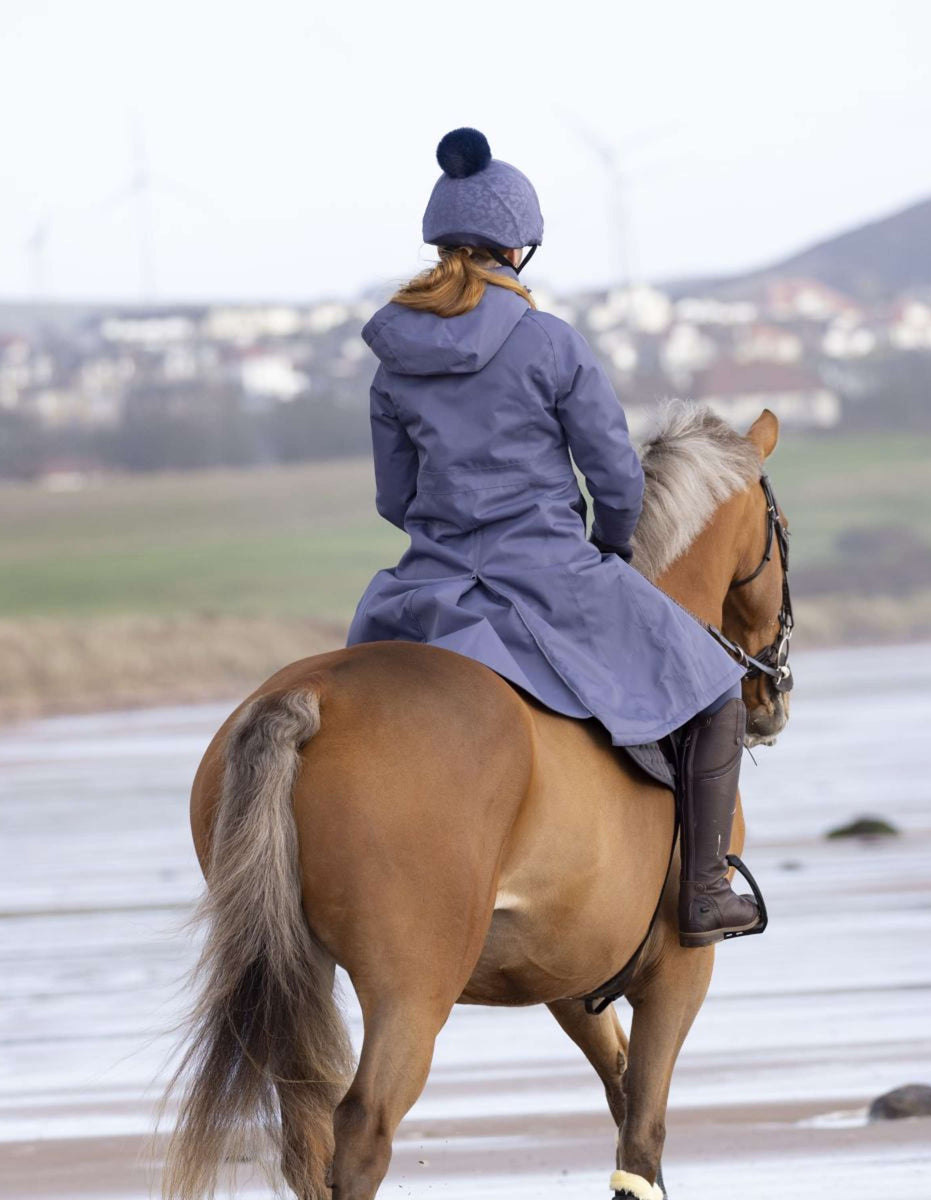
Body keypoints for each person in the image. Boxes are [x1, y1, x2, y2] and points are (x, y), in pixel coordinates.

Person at [346, 128, 761, 946]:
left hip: (426, 589)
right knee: (716, 694)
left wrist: (447, 531)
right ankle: (706, 892)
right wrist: (609, 543)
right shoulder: (549, 341)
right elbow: (615, 477)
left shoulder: (392, 357)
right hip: (548, 573)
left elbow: (396, 498)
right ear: (518, 246)